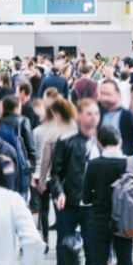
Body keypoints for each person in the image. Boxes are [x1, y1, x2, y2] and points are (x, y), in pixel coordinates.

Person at [49, 99, 101, 265]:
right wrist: (59, 192)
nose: (93, 117)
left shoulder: (103, 140)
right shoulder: (67, 140)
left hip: (92, 205)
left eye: (96, 113)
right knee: (64, 244)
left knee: (92, 248)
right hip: (69, 202)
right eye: (89, 113)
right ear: (79, 116)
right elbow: (55, 173)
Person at [82, 125, 133, 265]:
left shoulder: (94, 165)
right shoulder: (129, 163)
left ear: (99, 143)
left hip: (99, 220)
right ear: (120, 141)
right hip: (124, 220)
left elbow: (85, 197)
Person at [33, 98, 76, 250]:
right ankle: (67, 240)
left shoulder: (51, 134)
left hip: (55, 178)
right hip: (73, 179)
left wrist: (42, 180)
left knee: (50, 209)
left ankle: (48, 240)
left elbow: (45, 161)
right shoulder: (76, 131)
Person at [98, 80, 133, 156]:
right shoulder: (98, 113)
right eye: (102, 94)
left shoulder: (127, 115)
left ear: (118, 94)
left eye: (108, 94)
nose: (104, 98)